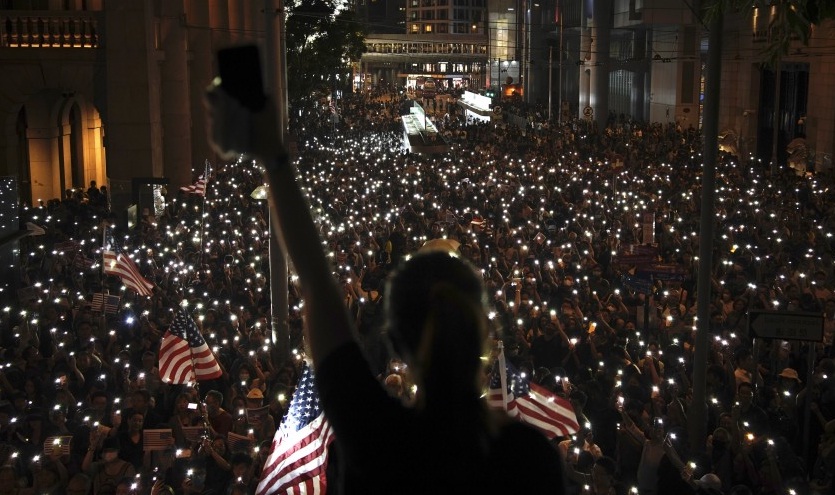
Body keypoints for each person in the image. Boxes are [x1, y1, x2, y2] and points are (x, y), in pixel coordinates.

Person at [205, 61, 564, 493]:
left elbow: (317, 282)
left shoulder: (376, 435)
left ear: (394, 341)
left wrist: (271, 155)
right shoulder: (528, 457)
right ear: (486, 335)